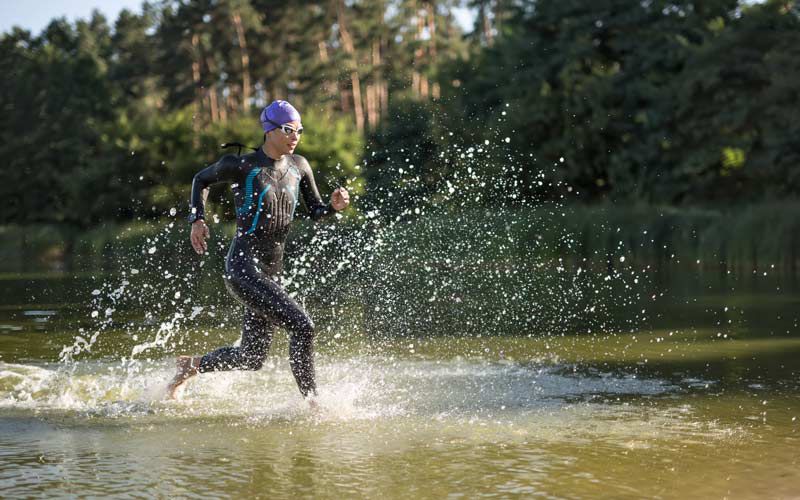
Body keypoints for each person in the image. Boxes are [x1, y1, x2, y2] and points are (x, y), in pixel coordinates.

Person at [166, 100, 349, 402]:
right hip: (242, 268)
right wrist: (196, 219)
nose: (296, 136)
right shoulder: (241, 165)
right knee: (303, 327)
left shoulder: (299, 166)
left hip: (271, 272)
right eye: (289, 130)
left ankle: (190, 365)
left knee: (251, 358)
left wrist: (333, 206)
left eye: (299, 130)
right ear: (270, 130)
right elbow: (201, 179)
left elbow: (316, 211)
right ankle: (315, 404)